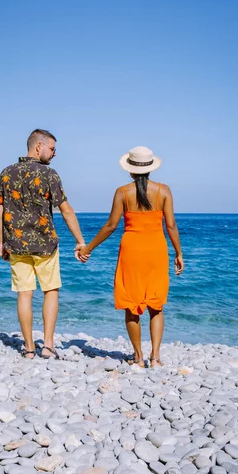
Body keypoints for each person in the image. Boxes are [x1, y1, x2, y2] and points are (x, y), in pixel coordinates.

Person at [77, 146, 184, 367]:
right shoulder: (164, 191)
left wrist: (88, 248)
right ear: (151, 168)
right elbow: (171, 225)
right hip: (156, 249)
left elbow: (110, 226)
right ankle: (156, 357)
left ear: (130, 170)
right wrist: (178, 252)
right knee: (157, 305)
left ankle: (138, 357)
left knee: (131, 305)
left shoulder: (122, 192)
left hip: (131, 250)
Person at [0, 129, 85, 359]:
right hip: (45, 245)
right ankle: (48, 346)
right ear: (38, 147)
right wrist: (80, 241)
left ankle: (29, 348)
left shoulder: (7, 173)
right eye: (52, 149)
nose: (54, 154)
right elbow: (65, 210)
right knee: (50, 291)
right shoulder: (49, 175)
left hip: (16, 244)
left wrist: (1, 242)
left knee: (24, 294)